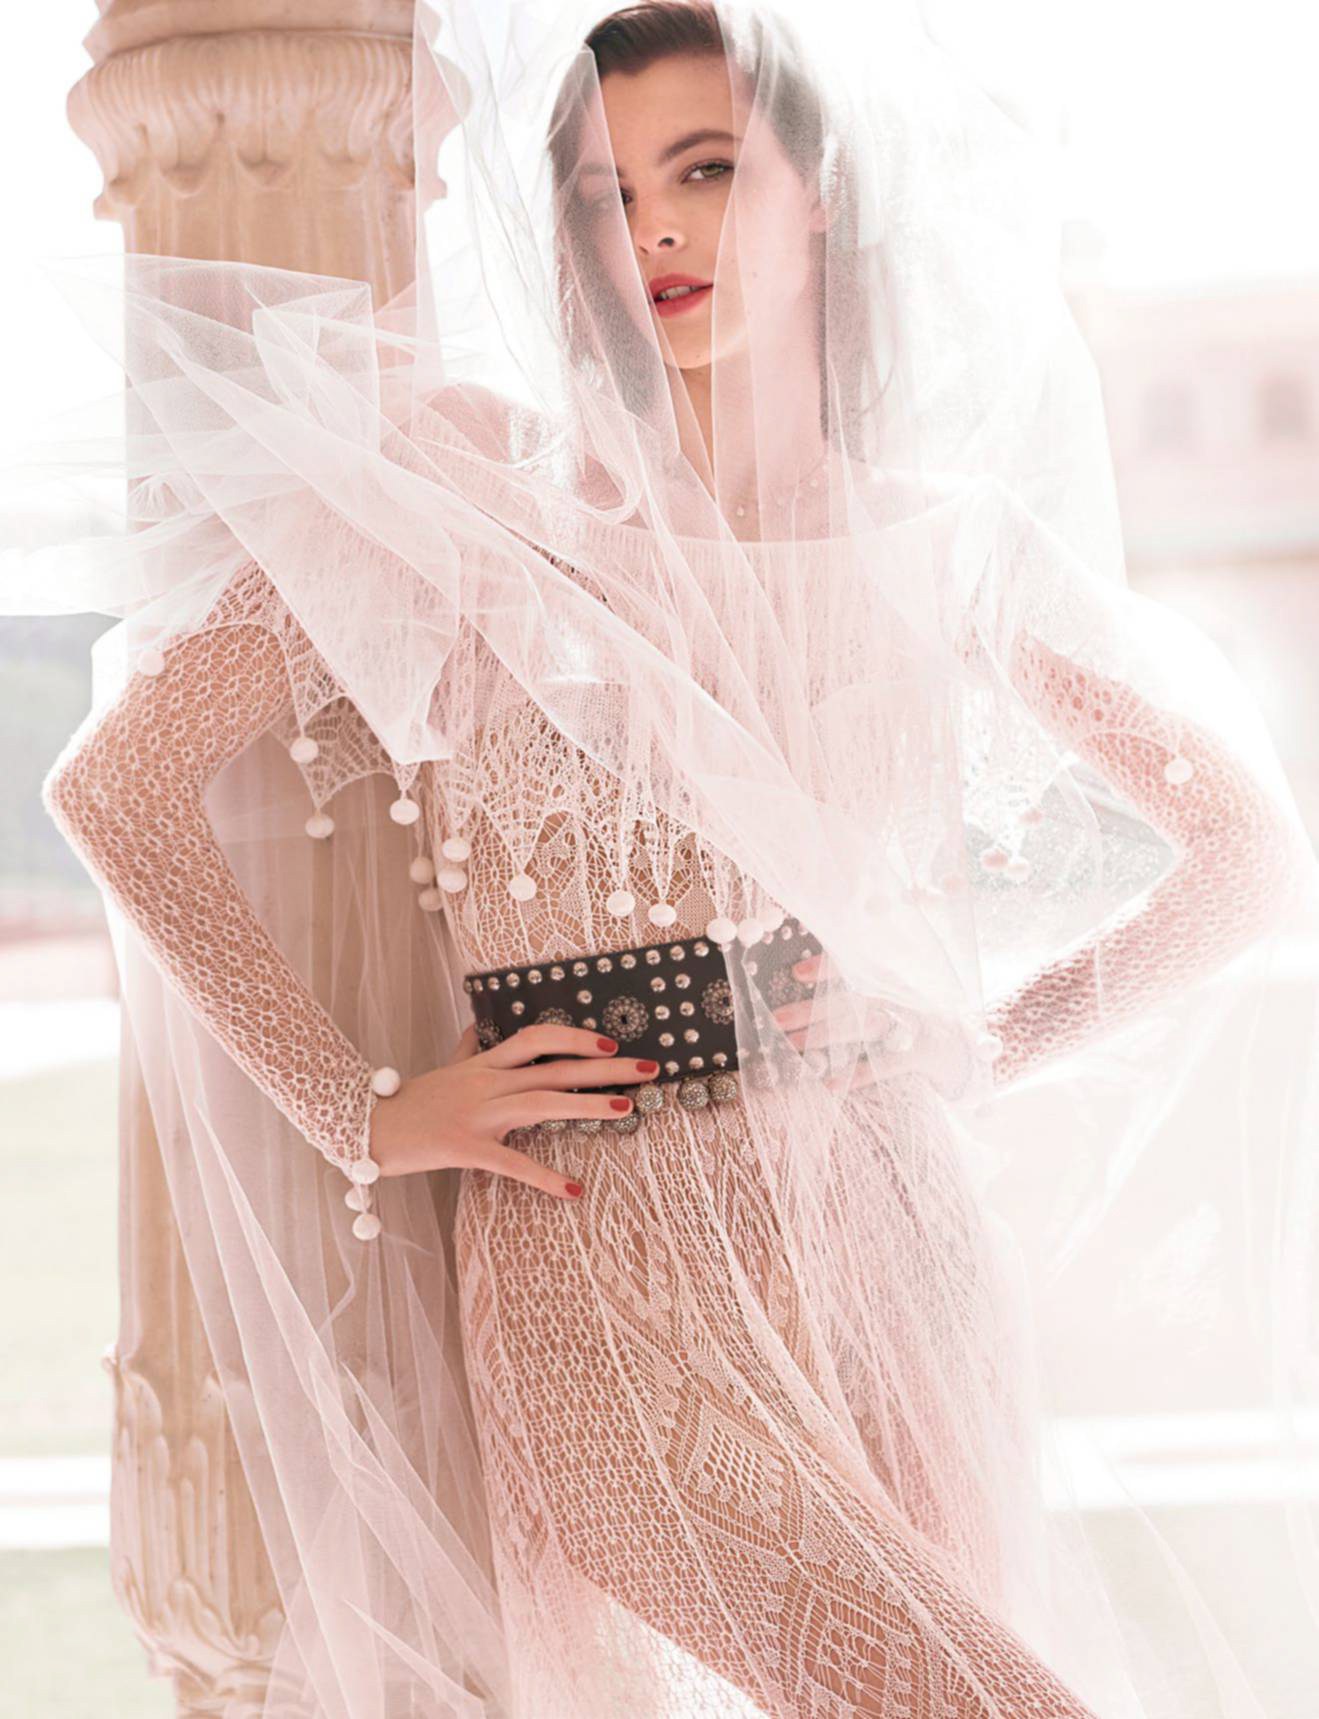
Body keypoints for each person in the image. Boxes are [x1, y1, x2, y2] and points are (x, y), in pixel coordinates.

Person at [9, 1, 1319, 1714]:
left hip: (888, 1235)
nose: (656, 233)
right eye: (603, 196)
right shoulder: (474, 502)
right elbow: (117, 784)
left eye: (703, 170)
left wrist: (985, 1036)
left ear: (818, 193)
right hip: (601, 1253)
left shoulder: (945, 543)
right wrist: (361, 1108)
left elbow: (1244, 851)